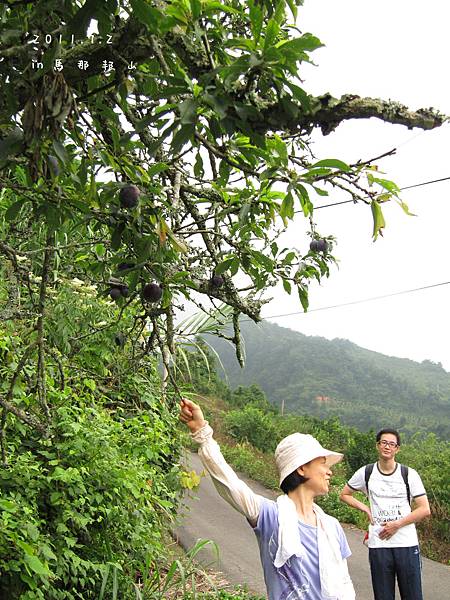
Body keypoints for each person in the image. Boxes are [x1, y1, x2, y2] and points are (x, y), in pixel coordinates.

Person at [179, 398, 356, 600]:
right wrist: (202, 433)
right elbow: (229, 483)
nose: (329, 472)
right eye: (323, 463)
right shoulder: (272, 517)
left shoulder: (332, 527)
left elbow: (345, 583)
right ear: (301, 467)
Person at [339, 428, 431, 600]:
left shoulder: (408, 474)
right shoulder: (366, 472)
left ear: (397, 449)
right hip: (379, 544)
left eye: (392, 444)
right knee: (383, 596)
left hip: (406, 544)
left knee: (413, 596)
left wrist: (397, 524)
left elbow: (424, 509)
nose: (387, 446)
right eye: (384, 442)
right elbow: (344, 494)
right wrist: (365, 508)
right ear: (377, 445)